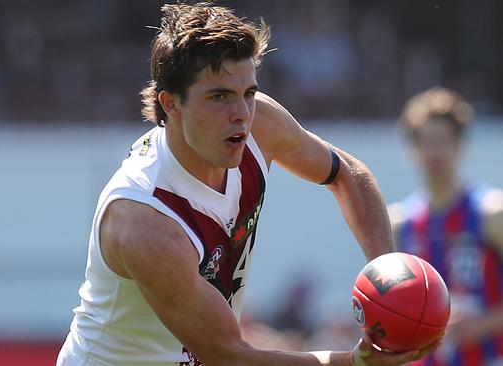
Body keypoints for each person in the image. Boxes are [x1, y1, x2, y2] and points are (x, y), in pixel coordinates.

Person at [57, 3, 439, 365]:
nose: (241, 113)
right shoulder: (145, 220)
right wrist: (354, 362)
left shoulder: (259, 125)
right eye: (219, 97)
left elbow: (348, 175)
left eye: (249, 93)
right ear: (171, 104)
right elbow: (227, 355)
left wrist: (386, 278)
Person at [389, 87, 503, 365]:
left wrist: (482, 324)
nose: (434, 151)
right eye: (426, 141)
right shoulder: (399, 224)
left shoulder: (491, 212)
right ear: (412, 149)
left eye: (442, 140)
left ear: (460, 145)